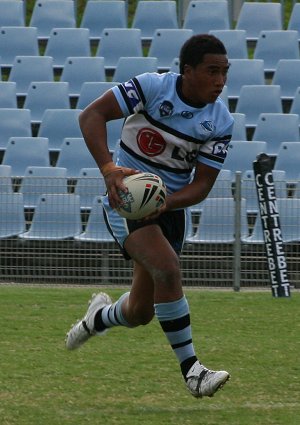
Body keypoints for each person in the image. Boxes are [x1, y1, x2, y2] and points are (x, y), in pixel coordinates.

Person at [66, 34, 233, 398]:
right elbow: (91, 115)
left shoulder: (221, 121)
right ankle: (193, 372)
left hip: (167, 208)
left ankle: (96, 318)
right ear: (187, 71)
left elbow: (202, 186)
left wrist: (167, 204)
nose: (220, 81)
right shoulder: (152, 88)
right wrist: (110, 168)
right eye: (212, 71)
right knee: (168, 268)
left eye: (225, 73)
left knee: (141, 311)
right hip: (126, 199)